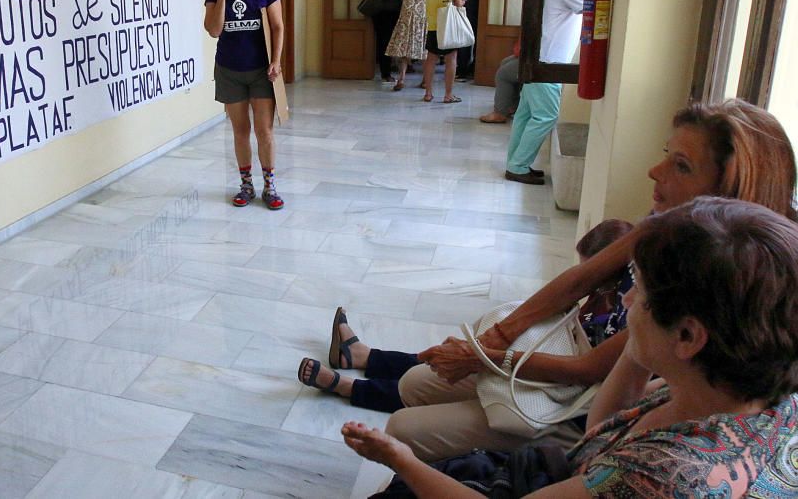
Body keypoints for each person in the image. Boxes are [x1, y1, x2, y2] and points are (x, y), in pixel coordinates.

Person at [298, 99, 797, 462]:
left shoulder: (714, 286)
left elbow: (590, 373)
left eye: (680, 165)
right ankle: (368, 372)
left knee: (407, 427)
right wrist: (499, 336)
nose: (653, 169)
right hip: (557, 354)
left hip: (578, 404)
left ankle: (384, 413)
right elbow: (580, 278)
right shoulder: (665, 229)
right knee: (416, 381)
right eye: (666, 153)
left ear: (727, 191)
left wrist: (485, 357)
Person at [343, 196, 798, 498]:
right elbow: (601, 433)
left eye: (641, 292)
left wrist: (398, 459)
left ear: (688, 337)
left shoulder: (656, 477)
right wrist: (640, 349)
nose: (626, 299)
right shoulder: (744, 395)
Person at [296, 217, 632, 414]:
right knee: (445, 358)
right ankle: (363, 356)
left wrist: (491, 357)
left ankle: (349, 387)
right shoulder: (599, 298)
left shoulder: (626, 317)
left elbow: (583, 373)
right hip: (532, 362)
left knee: (427, 384)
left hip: (554, 390)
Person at [505, 0, 604, 185]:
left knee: (526, 114)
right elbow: (595, 7)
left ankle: (515, 162)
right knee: (546, 116)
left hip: (541, 55)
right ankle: (518, 166)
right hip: (548, 60)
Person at [203, 0, 285, 210]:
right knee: (240, 130)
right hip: (229, 69)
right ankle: (246, 184)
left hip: (262, 70)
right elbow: (214, 30)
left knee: (264, 131)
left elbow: (277, 26)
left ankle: (270, 185)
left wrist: (276, 60)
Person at [385, 0, 433, 91]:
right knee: (424, 45)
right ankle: (425, 80)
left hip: (407, 10)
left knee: (404, 46)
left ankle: (401, 79)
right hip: (423, 12)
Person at [422, 0, 464, 103]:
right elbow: (458, 2)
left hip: (432, 22)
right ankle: (448, 95)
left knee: (431, 58)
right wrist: (463, 2)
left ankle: (428, 93)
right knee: (451, 58)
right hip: (447, 23)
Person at [362, 0, 402, 82]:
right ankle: (388, 71)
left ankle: (385, 72)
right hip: (393, 12)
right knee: (390, 42)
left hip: (378, 11)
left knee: (381, 41)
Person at [479, 39, 521, 124]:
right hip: (534, 56)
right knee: (505, 62)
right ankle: (512, 106)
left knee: (503, 74)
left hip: (540, 59)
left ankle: (500, 113)